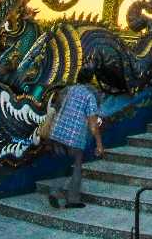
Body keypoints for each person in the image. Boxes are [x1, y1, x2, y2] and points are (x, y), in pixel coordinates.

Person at [46, 68, 104, 209]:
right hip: (74, 137)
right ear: (90, 80)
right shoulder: (89, 97)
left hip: (57, 133)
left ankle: (54, 190)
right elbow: (93, 124)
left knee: (62, 164)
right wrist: (99, 144)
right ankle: (72, 200)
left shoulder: (67, 90)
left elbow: (57, 107)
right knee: (77, 166)